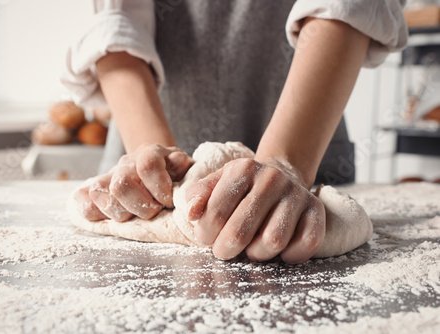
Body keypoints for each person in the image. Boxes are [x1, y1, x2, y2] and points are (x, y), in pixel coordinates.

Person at [62, 0, 407, 263]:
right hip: (143, 137)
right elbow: (115, 21)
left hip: (310, 139)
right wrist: (153, 167)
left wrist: (287, 161)